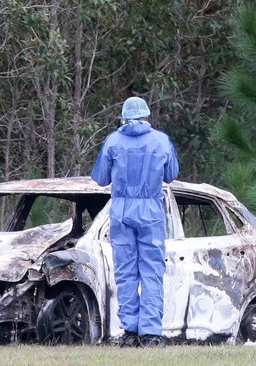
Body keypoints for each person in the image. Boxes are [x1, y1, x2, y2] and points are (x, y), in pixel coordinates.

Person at [91, 97, 179, 348]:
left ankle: (129, 331)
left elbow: (100, 178)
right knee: (152, 271)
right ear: (146, 115)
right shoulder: (161, 140)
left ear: (124, 116)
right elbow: (172, 175)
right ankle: (150, 332)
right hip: (151, 210)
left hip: (121, 212)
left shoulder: (113, 141)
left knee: (126, 273)